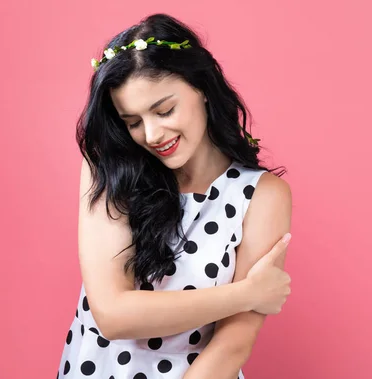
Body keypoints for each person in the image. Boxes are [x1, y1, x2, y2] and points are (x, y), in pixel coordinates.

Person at [56, 13, 293, 379]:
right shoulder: (109, 168)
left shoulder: (261, 196)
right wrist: (248, 294)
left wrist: (248, 301)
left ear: (201, 87)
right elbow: (113, 315)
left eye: (164, 110)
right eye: (132, 121)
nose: (151, 134)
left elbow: (235, 342)